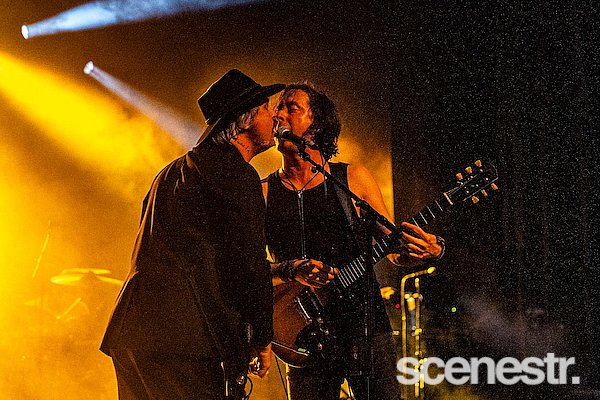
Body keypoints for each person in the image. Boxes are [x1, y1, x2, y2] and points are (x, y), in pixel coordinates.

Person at [100, 69, 285, 400]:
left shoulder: (169, 172)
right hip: (182, 339)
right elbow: (249, 264)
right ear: (244, 120)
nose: (274, 116)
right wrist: (262, 339)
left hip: (130, 331)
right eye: (266, 108)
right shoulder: (236, 174)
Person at [264, 83, 445, 400]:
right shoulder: (264, 192)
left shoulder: (352, 179)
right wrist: (291, 269)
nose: (278, 115)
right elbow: (249, 270)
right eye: (278, 108)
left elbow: (394, 252)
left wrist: (431, 250)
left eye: (291, 108)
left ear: (316, 125)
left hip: (364, 326)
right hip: (299, 333)